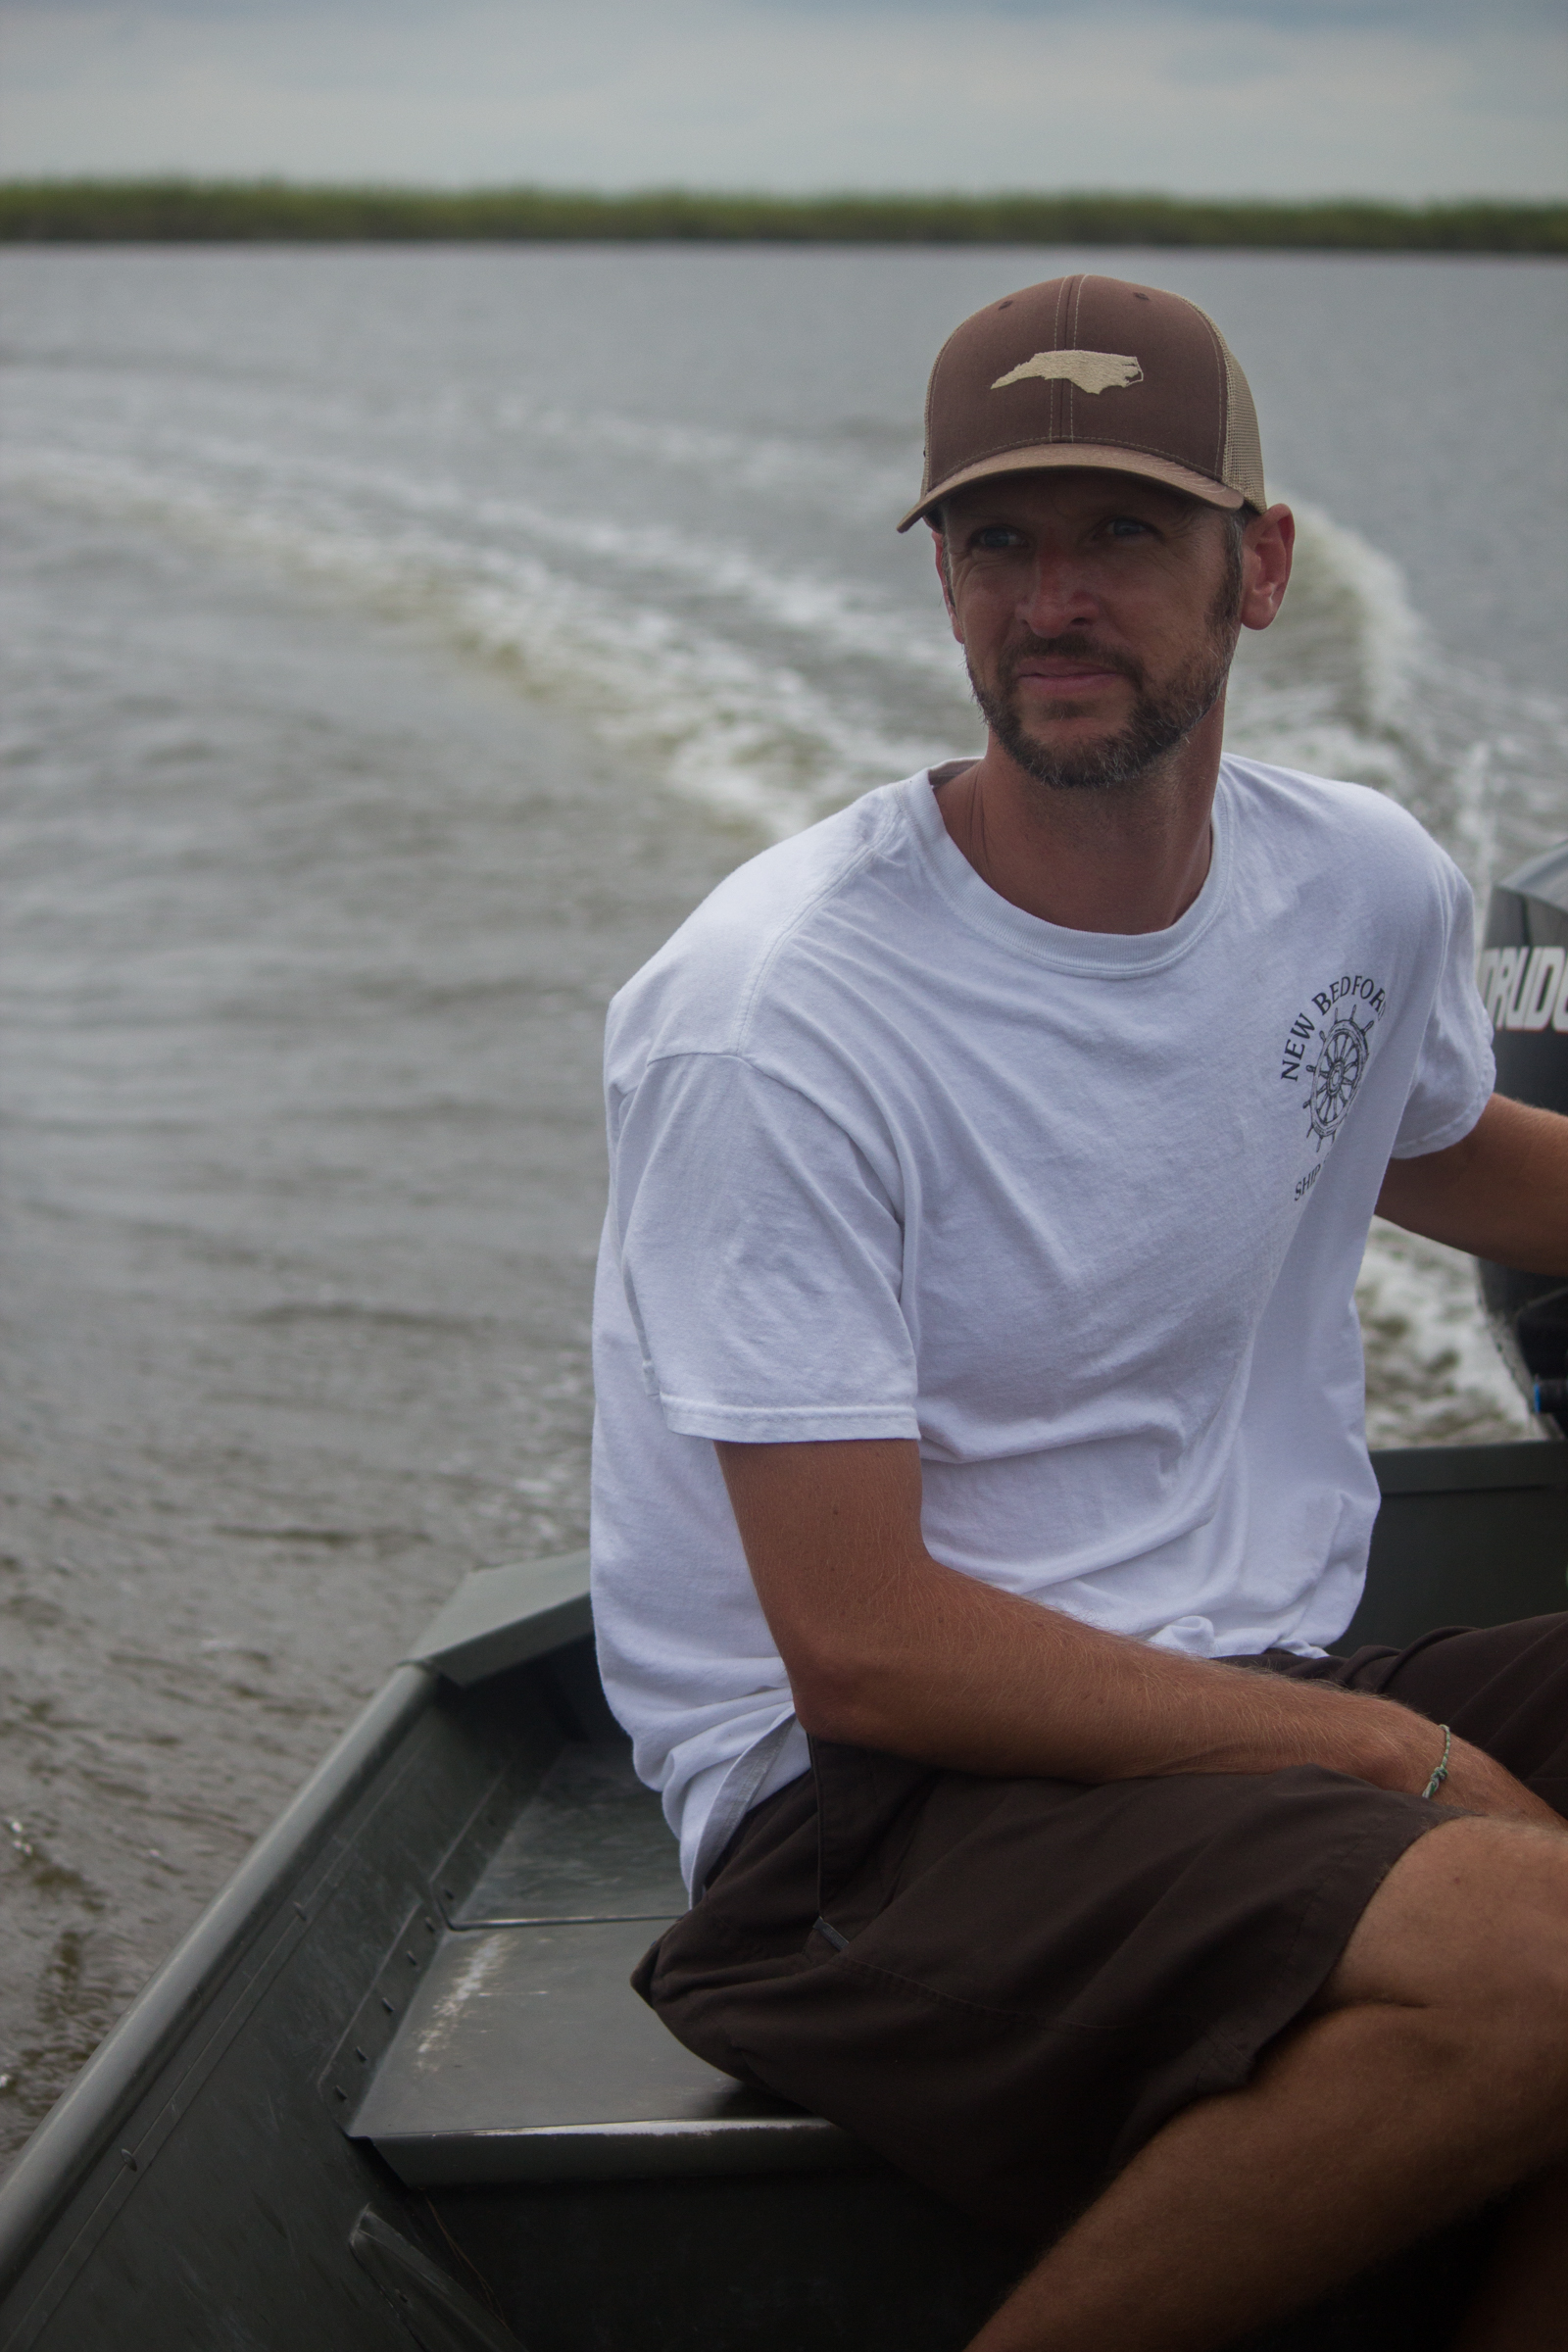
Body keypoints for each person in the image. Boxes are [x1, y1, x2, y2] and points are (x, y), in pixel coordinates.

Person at [588, 273, 1568, 2350]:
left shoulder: (1358, 890)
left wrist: (1344, 1737)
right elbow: (859, 1650)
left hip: (1228, 1687)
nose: (1050, 598)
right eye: (993, 540)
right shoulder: (776, 1017)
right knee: (1530, 1948)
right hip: (859, 1816)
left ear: (1260, 564)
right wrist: (1383, 1751)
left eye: (1120, 533)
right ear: (940, 581)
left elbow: (1441, 1154)